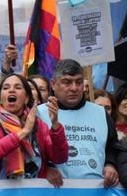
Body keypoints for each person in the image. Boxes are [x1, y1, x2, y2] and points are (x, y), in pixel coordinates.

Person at [36, 59, 119, 187]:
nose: (74, 88)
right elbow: (31, 152)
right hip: (54, 192)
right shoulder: (39, 114)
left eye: (79, 82)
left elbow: (113, 145)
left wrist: (110, 165)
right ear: (53, 84)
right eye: (67, 82)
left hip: (95, 193)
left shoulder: (101, 113)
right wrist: (46, 168)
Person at [0, 73, 68, 182]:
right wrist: (23, 132)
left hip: (32, 193)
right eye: (6, 88)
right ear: (0, 97)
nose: (11, 90)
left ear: (26, 98)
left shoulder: (38, 124)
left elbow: (59, 158)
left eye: (18, 87)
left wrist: (55, 126)